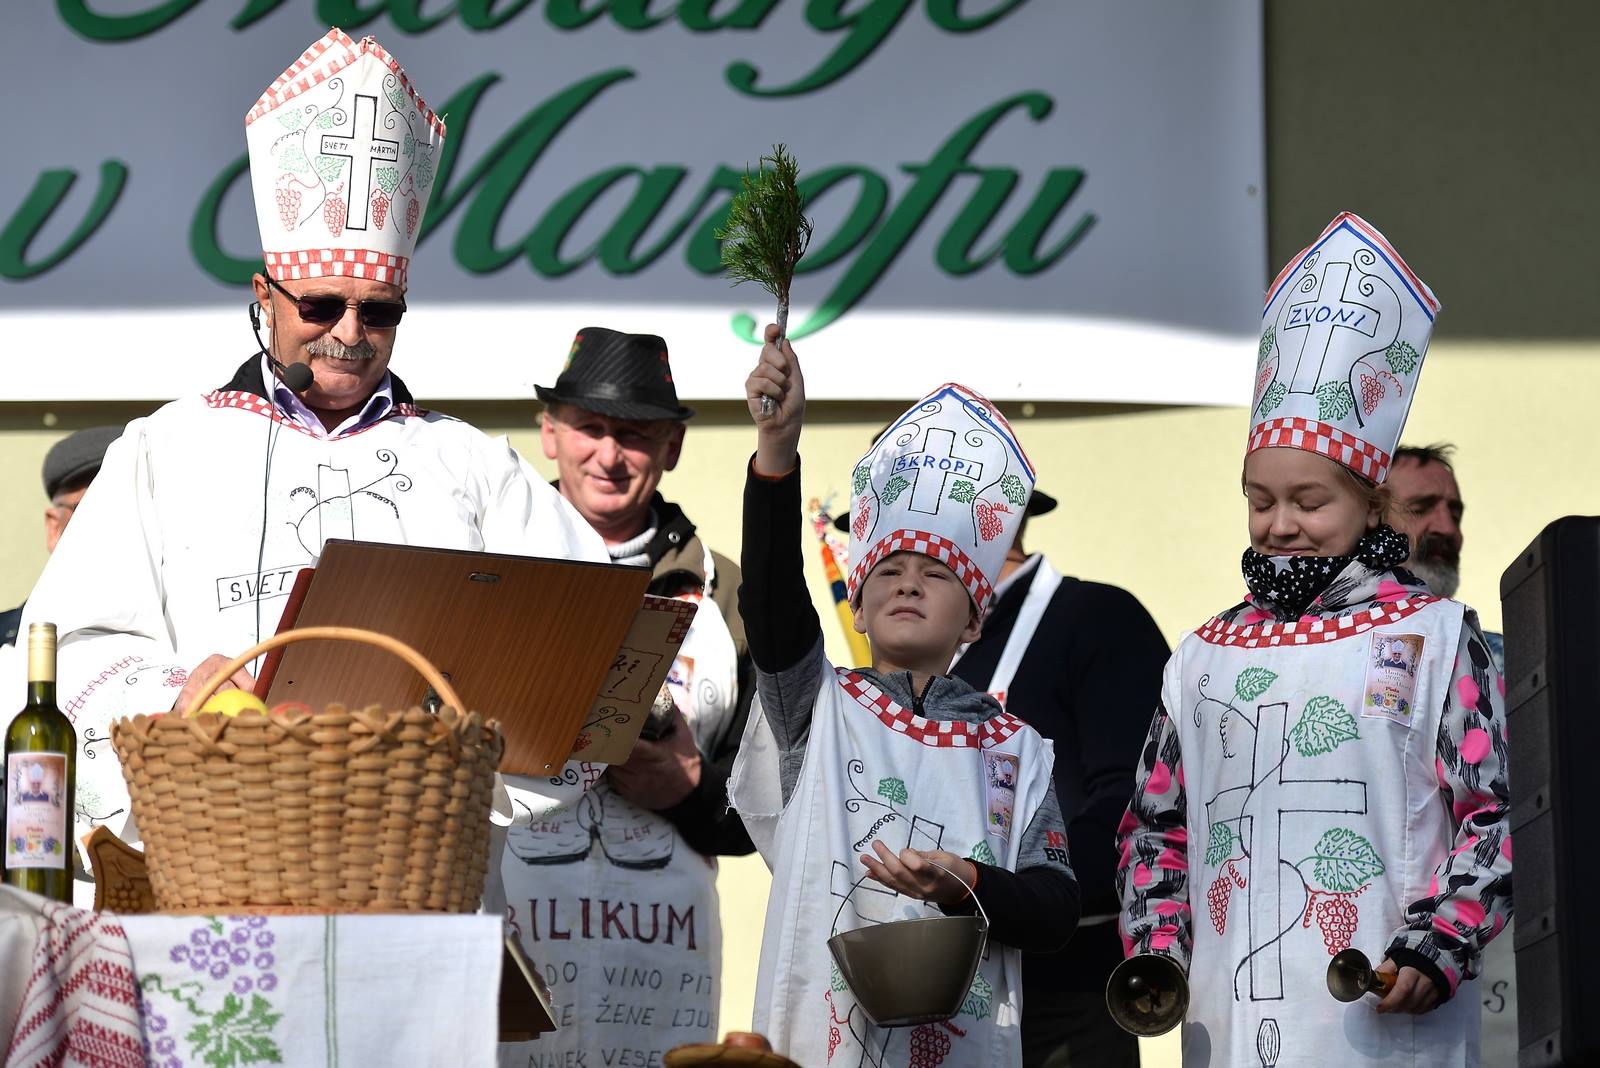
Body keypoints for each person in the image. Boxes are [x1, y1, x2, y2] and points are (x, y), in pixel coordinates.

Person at [7, 29, 606, 904]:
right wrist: (185, 694)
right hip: (213, 865)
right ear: (264, 297)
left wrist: (466, 737)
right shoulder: (163, 450)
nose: (351, 334)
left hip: (415, 879)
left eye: (381, 311)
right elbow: (62, 653)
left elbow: (584, 664)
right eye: (322, 304)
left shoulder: (475, 467)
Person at [1116, 213, 1511, 1066]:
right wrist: (1156, 949)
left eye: (1309, 501)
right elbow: (1156, 829)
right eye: (1260, 500)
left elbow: (1495, 813)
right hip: (1226, 1027)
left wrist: (1441, 944)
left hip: (1390, 1021)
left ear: (1371, 505)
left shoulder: (1436, 636)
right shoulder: (1199, 660)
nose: (1281, 523)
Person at [731, 326, 1081, 1066]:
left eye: (937, 572)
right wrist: (778, 450)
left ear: (976, 616)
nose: (910, 583)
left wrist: (967, 881)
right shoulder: (817, 707)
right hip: (822, 1043)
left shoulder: (1017, 748)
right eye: (888, 572)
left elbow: (1054, 910)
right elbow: (768, 603)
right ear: (857, 607)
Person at [496, 327, 754, 1062]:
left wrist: (692, 789)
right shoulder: (487, 570)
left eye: (635, 435)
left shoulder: (728, 594)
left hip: (661, 955)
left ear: (672, 447)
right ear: (549, 432)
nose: (609, 456)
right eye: (591, 429)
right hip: (516, 938)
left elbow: (777, 807)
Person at [948, 497, 1168, 1068]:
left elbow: (1133, 801)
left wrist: (1014, 893)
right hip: (940, 987)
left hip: (1064, 991)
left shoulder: (1096, 616)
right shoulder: (927, 650)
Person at [1386, 442, 1516, 1062]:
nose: (1446, 528)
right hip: (1378, 977)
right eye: (1421, 508)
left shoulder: (1504, 656)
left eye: (1454, 511)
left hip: (1511, 971)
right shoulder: (1300, 654)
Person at [0, 426, 122, 648]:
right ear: (54, 528)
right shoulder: (7, 643)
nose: (121, 525)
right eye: (91, 508)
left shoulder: (196, 640)